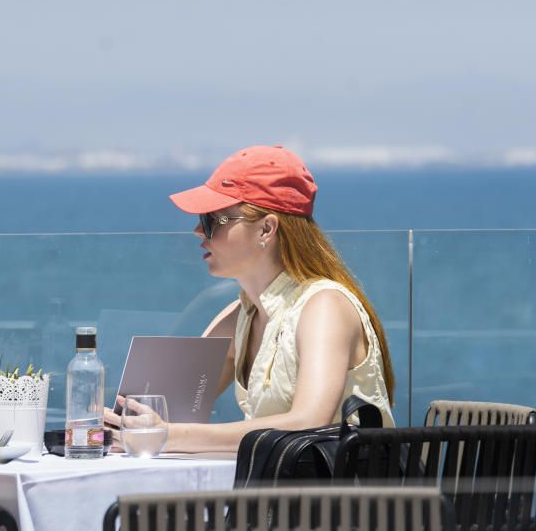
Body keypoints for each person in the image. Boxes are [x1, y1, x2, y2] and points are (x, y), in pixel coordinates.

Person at [105, 145, 395, 452]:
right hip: (282, 492)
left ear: (266, 229)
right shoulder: (240, 317)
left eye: (212, 220)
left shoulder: (324, 307)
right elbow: (161, 407)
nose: (197, 232)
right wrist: (113, 423)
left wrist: (167, 435)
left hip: (346, 495)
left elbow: (310, 421)